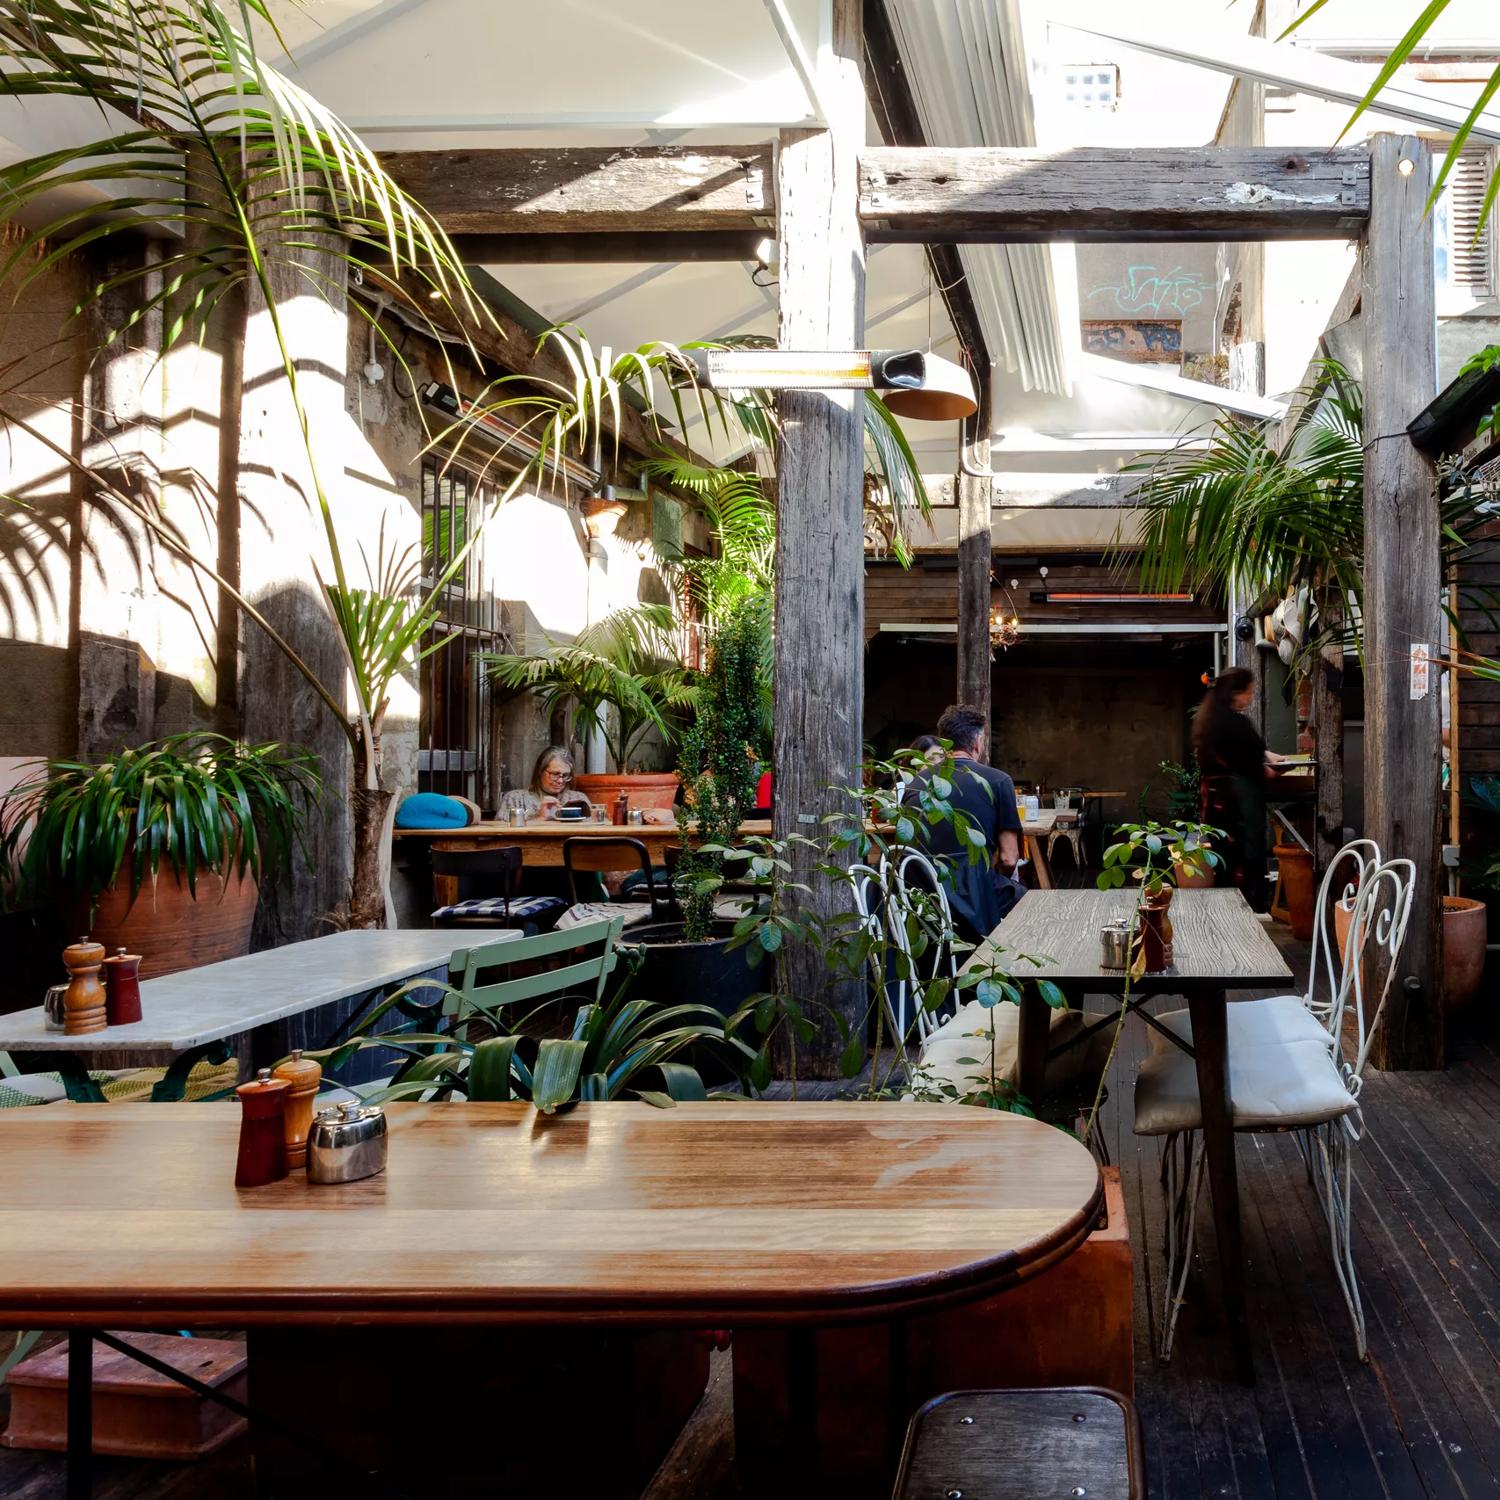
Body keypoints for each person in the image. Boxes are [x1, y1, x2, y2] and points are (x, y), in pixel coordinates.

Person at [902, 704, 1024, 942]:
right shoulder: (999, 781)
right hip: (978, 899)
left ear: (944, 742)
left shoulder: (916, 782)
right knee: (1027, 902)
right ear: (977, 742)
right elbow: (1010, 859)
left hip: (923, 901)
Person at [1192, 668, 1290, 911]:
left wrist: (1266, 757)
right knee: (1246, 858)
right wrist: (1274, 769)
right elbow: (1251, 763)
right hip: (1237, 803)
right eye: (1250, 692)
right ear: (1236, 693)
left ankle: (1226, 911)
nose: (1251, 697)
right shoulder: (1236, 722)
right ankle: (1250, 910)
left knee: (1224, 857)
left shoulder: (1210, 719)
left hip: (1216, 802)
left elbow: (1243, 753)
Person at [498, 746, 592, 823]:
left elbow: (593, 829)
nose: (560, 781)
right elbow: (500, 834)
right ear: (539, 771)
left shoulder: (578, 799)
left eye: (565, 775)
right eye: (555, 774)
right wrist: (538, 818)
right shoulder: (515, 799)